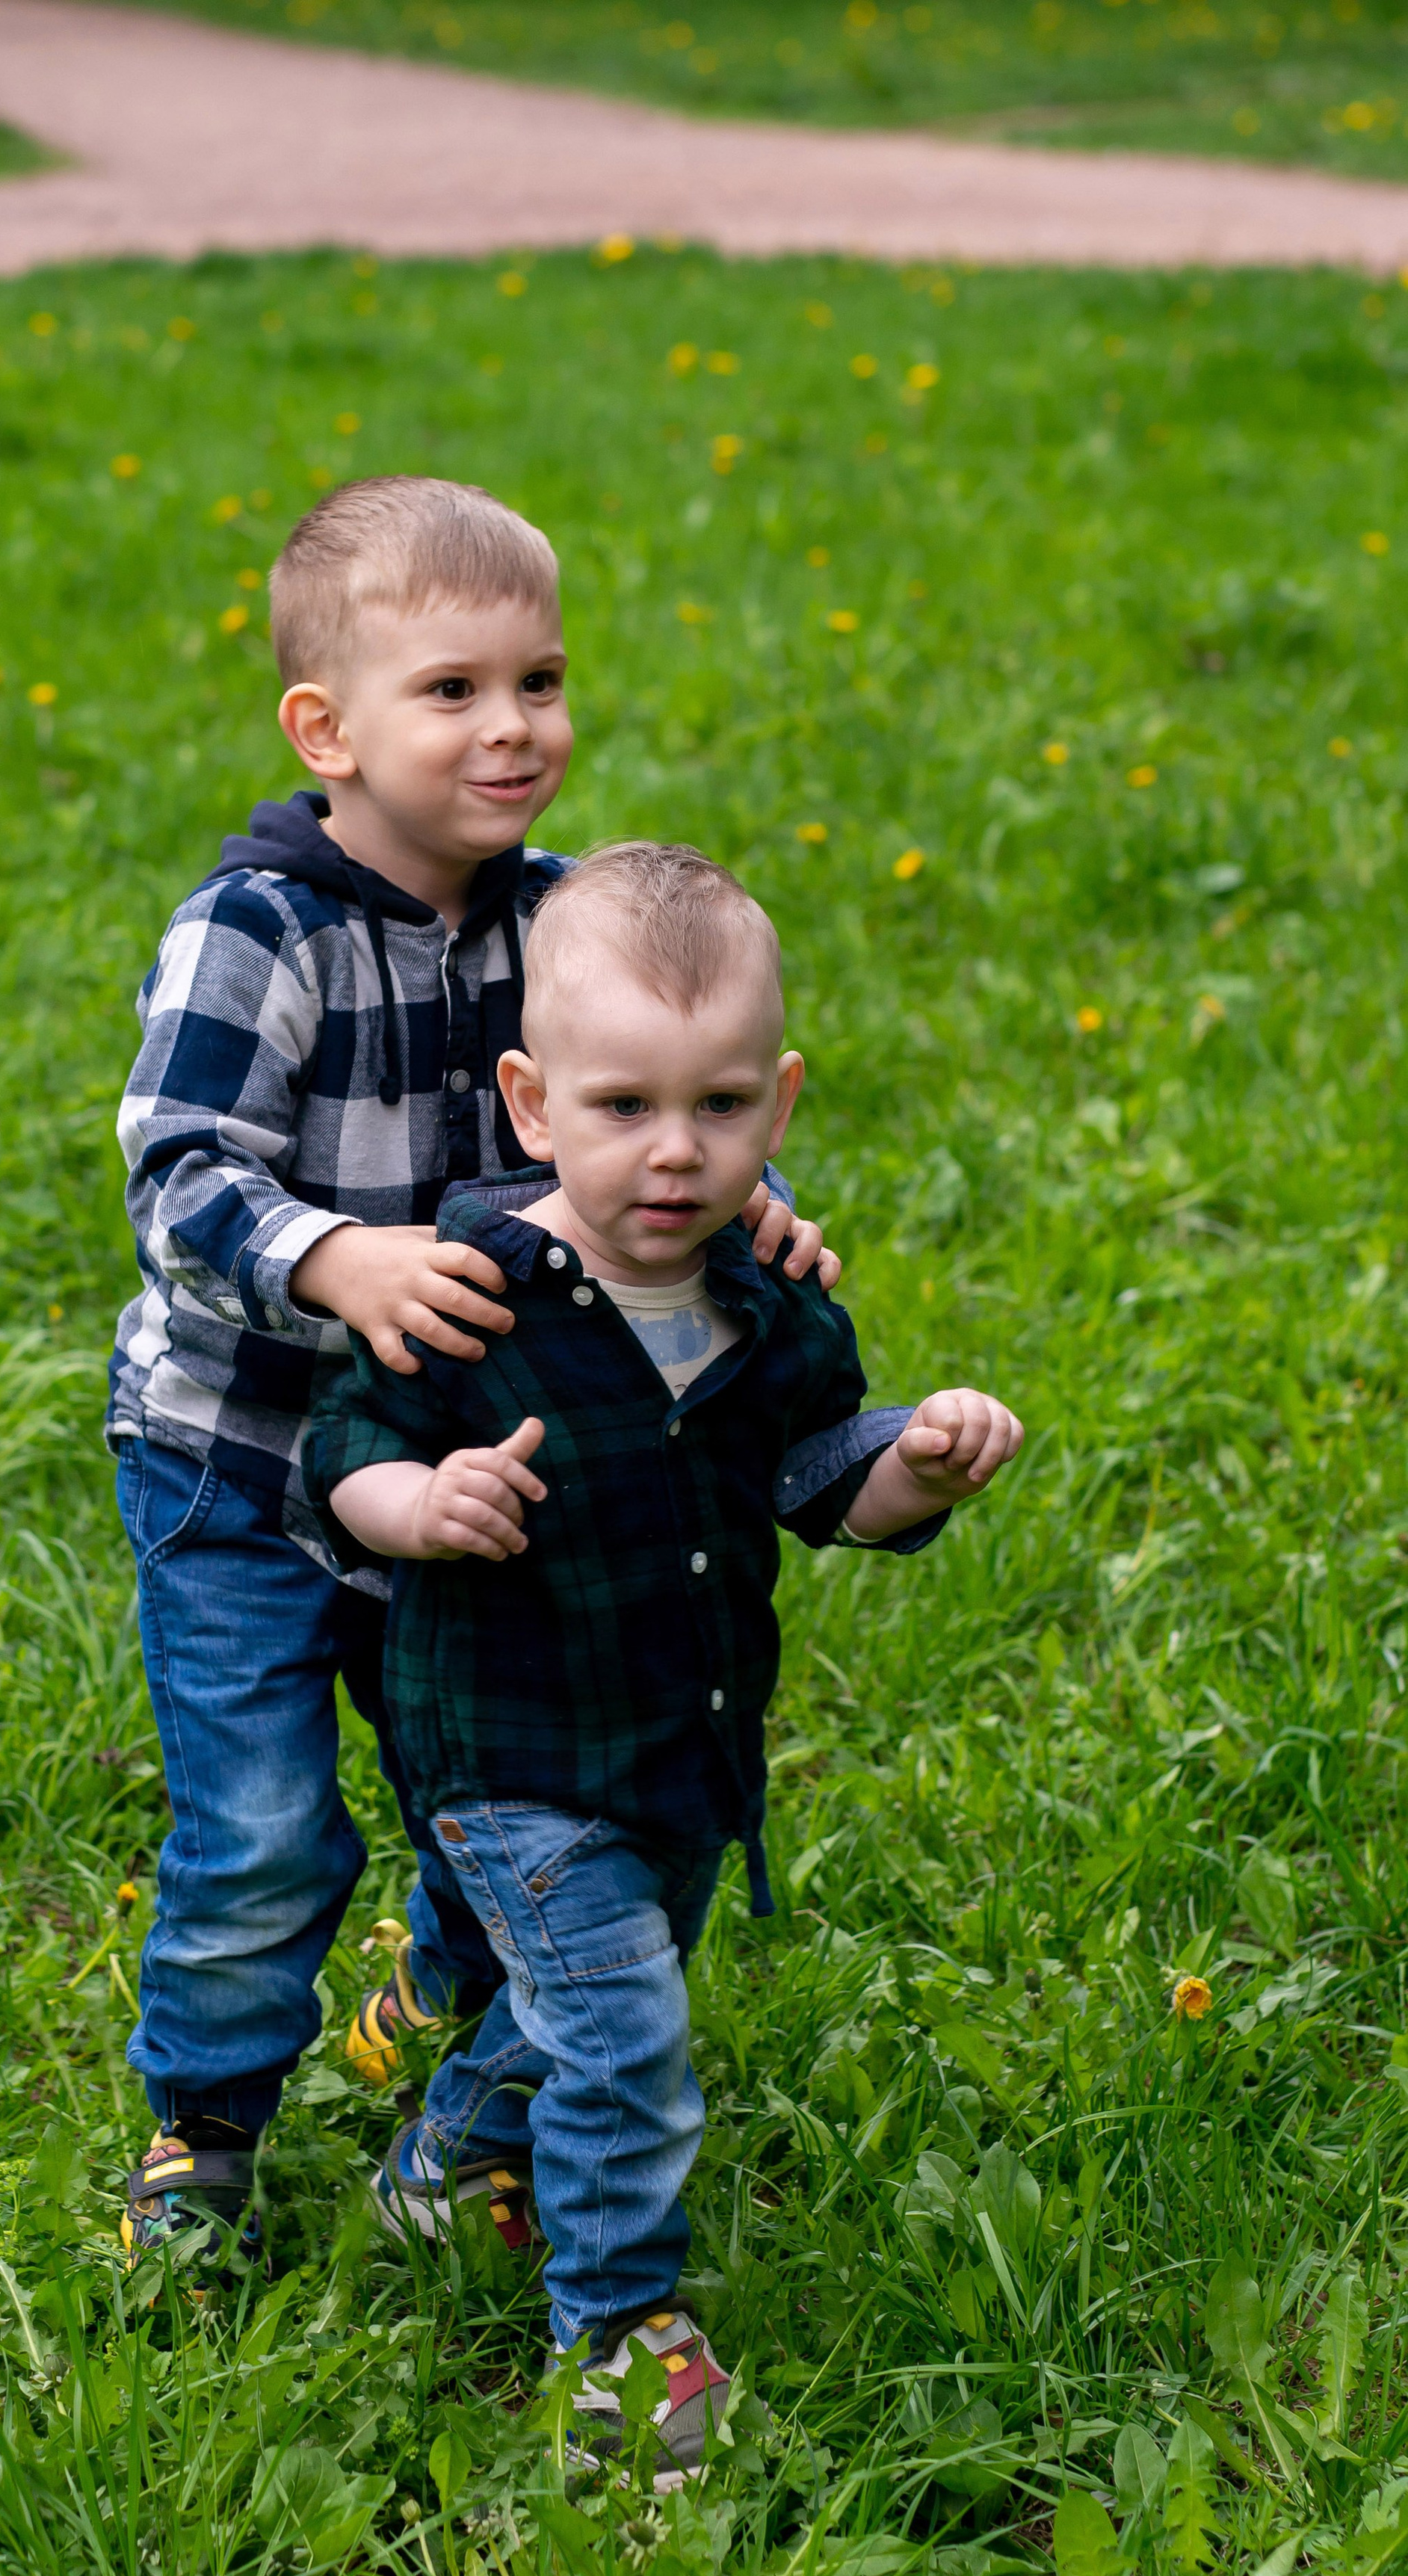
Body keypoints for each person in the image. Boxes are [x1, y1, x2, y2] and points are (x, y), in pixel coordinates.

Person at [105, 479, 841, 2274]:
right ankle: (202, 2123)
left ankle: (460, 2001)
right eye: (452, 690)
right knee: (269, 1819)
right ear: (326, 728)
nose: (512, 726)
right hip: (240, 1455)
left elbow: (648, 1103)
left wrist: (760, 1218)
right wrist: (332, 1256)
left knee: (491, 1766)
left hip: (466, 1449)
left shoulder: (564, 917)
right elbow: (176, 1168)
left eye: (541, 678)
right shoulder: (259, 931)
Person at [305, 841, 1023, 2472]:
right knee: (625, 2036)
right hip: (505, 1747)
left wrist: (915, 1458)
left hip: (684, 1749)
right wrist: (422, 1500)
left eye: (716, 1106)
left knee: (574, 2009)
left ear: (776, 1102)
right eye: (622, 1105)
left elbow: (812, 1481)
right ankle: (622, 2341)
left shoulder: (768, 1307)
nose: (673, 1151)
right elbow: (337, 1451)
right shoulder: (471, 1290)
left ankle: (436, 2169)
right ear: (533, 1101)